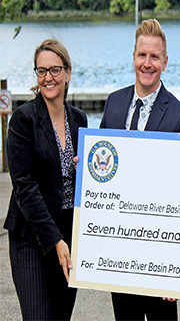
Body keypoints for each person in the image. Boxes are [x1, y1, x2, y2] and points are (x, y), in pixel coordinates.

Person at [100, 18, 180, 321]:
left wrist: (177, 265)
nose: (147, 63)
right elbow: (102, 167)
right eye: (142, 55)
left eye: (154, 56)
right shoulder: (114, 104)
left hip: (159, 253)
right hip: (119, 249)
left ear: (165, 62)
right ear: (133, 57)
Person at [4, 39, 87, 320]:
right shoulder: (23, 120)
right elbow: (25, 189)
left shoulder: (79, 120)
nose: (48, 77)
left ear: (67, 72)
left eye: (54, 70)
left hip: (69, 236)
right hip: (31, 237)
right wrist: (55, 240)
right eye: (41, 71)